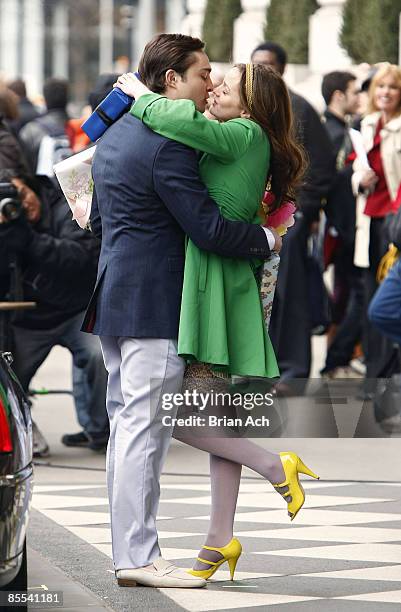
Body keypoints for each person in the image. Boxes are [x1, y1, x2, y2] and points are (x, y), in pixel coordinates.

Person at [82, 33, 286, 589]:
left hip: (116, 295)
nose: (208, 87)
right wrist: (266, 240)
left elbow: (97, 221)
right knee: (143, 434)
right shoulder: (169, 143)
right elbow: (209, 228)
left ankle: (131, 552)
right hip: (157, 302)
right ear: (171, 80)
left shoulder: (118, 132)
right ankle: (138, 557)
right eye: (201, 76)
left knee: (128, 429)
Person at [117, 56, 319, 581]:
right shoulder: (242, 136)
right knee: (213, 415)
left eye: (225, 87)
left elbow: (180, 122)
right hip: (223, 278)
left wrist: (140, 96)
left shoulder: (244, 133)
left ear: (252, 106)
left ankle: (276, 466)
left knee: (177, 416)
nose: (213, 92)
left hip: (216, 281)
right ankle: (219, 538)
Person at [0, 168, 109, 456]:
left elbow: (83, 258)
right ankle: (22, 430)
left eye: (22, 194)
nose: (22, 205)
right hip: (27, 321)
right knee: (8, 375)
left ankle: (100, 429)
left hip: (76, 311)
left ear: (32, 186)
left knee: (99, 355)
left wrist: (30, 241)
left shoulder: (66, 206)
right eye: (11, 201)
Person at [251, 42, 334, 390]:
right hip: (258, 223)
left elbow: (322, 168)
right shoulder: (254, 110)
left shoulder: (298, 108)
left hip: (291, 222)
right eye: (255, 66)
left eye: (267, 65)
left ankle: (294, 369)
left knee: (292, 296)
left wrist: (299, 214)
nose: (261, 72)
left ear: (283, 68)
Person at [352, 63, 401, 385]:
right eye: (380, 87)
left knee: (389, 300)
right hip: (369, 220)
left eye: (392, 87)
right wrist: (360, 179)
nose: (384, 93)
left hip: (396, 223)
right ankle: (375, 375)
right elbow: (354, 170)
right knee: (371, 297)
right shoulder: (364, 125)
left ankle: (387, 372)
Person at [319, 71, 364, 378]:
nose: (359, 98)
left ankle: (338, 357)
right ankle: (336, 358)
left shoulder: (342, 130)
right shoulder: (333, 135)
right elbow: (328, 184)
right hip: (342, 229)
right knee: (353, 294)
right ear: (338, 96)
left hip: (345, 228)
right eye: (353, 92)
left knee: (347, 293)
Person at [19, 78, 70, 176]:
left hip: (42, 189)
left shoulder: (30, 131)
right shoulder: (80, 128)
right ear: (67, 99)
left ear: (45, 99)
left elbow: (25, 168)